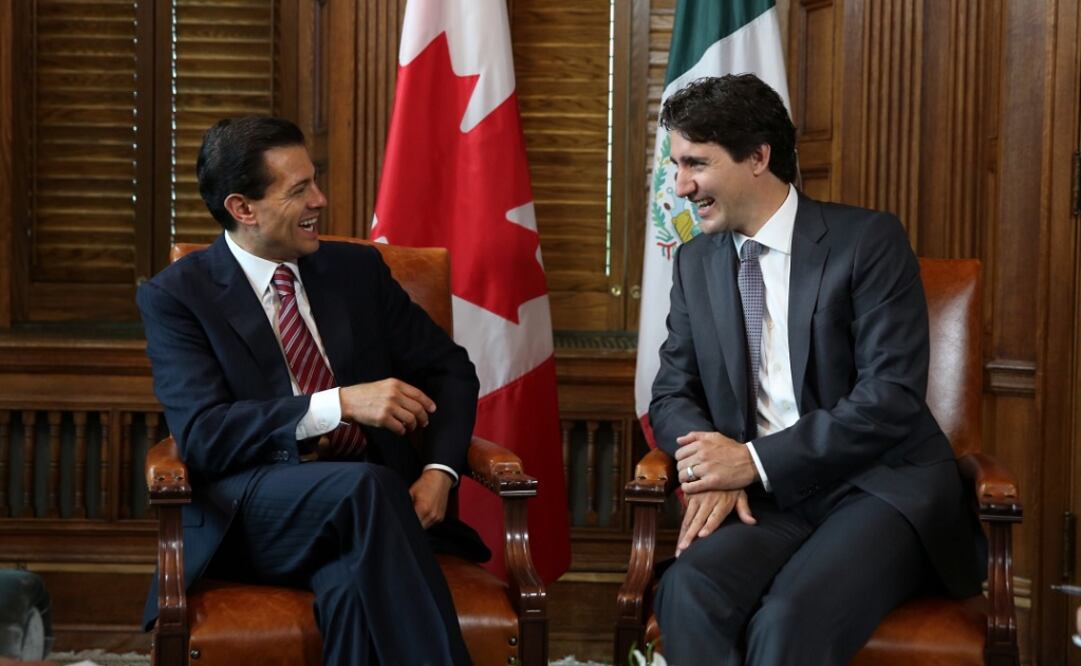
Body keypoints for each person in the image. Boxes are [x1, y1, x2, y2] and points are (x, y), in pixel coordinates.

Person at [648, 74, 985, 665]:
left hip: (876, 487)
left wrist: (749, 461)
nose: (680, 186)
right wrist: (712, 464)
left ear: (758, 157)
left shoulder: (868, 240)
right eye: (676, 165)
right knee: (687, 590)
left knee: (787, 620)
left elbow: (889, 398)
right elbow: (672, 392)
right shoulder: (696, 262)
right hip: (766, 499)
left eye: (696, 163)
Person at [137, 116, 487, 665]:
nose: (320, 199)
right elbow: (205, 435)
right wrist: (339, 403)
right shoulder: (179, 296)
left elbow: (451, 369)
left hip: (372, 512)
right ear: (242, 209)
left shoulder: (356, 271)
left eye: (314, 180)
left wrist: (438, 473)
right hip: (255, 512)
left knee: (352, 588)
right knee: (365, 488)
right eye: (299, 189)